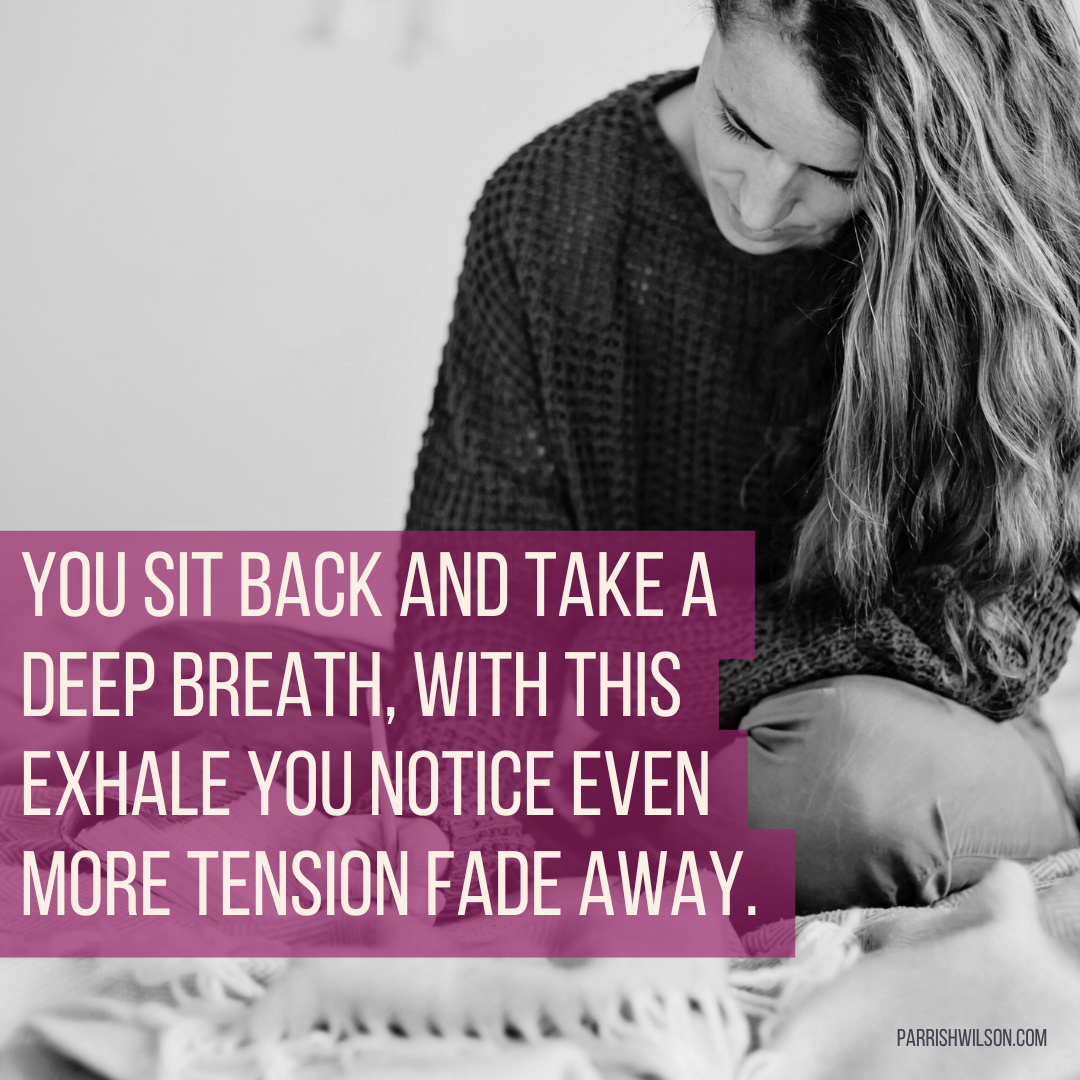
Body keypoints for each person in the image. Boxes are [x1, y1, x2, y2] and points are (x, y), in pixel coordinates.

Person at [390, 0, 1080, 916]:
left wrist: (659, 658)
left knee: (842, 783)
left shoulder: (995, 252)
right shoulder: (550, 207)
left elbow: (1006, 635)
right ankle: (607, 838)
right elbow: (475, 591)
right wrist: (463, 817)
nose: (759, 203)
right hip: (625, 746)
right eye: (739, 125)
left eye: (836, 173)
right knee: (184, 679)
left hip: (897, 742)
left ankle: (621, 836)